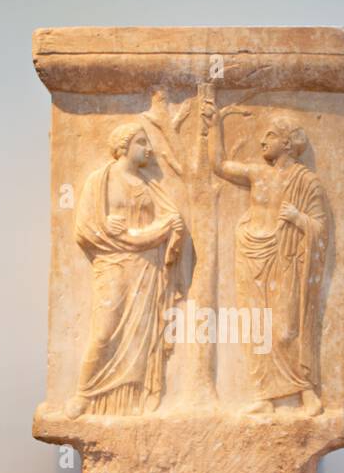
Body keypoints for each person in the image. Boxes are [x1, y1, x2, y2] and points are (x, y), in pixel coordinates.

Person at [203, 105, 327, 415]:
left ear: (287, 142)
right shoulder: (257, 173)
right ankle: (264, 396)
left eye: (269, 136)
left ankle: (305, 390)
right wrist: (213, 124)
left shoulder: (307, 182)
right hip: (250, 253)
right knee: (256, 326)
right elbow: (218, 164)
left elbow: (320, 228)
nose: (262, 142)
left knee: (286, 328)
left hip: (285, 258)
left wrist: (299, 219)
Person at [65, 124, 184, 418]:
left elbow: (171, 220)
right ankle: (84, 393)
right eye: (142, 142)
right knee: (104, 330)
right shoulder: (100, 180)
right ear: (123, 146)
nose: (149, 149)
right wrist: (107, 227)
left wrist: (171, 229)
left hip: (145, 267)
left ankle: (131, 399)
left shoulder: (148, 185)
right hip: (113, 264)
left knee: (139, 337)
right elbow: (84, 229)